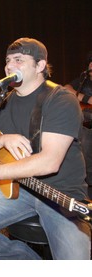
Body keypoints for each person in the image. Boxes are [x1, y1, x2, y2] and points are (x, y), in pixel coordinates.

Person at [0, 37, 91, 260]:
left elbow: (49, 161)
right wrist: (2, 140)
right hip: (22, 189)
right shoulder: (3, 101)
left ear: (40, 66)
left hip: (60, 193)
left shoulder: (60, 99)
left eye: (19, 60)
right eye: (8, 61)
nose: (10, 66)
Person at [65, 52, 92, 188]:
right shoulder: (83, 80)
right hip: (83, 122)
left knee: (85, 139)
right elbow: (66, 88)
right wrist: (87, 99)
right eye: (90, 64)